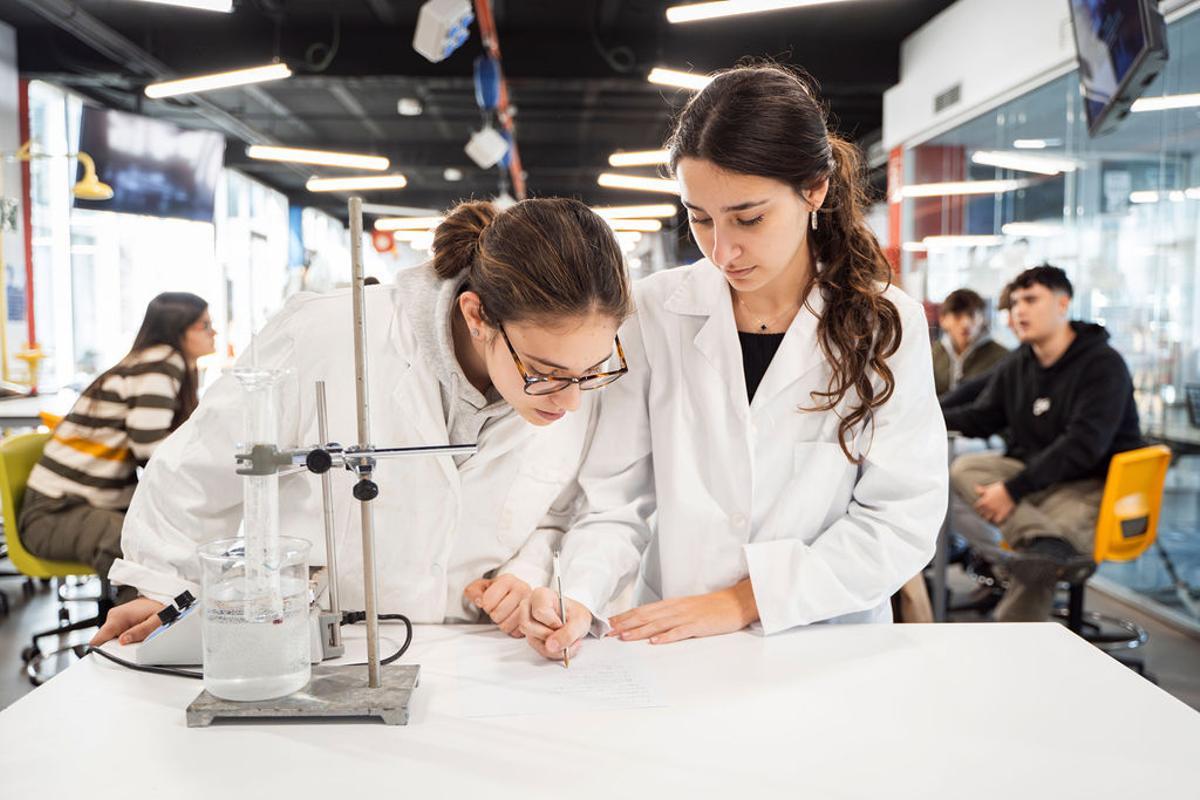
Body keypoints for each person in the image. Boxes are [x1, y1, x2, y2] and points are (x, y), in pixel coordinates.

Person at [522, 64, 947, 661]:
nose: (723, 250)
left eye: (749, 218)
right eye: (699, 218)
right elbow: (616, 499)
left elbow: (900, 521)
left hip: (824, 642)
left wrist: (746, 600)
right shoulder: (653, 313)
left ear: (814, 189)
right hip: (675, 644)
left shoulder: (884, 325)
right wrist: (580, 596)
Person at [91, 198, 632, 646]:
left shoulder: (569, 374)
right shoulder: (329, 336)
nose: (571, 403)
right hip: (327, 651)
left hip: (477, 657)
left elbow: (559, 512)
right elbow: (196, 469)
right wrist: (157, 585)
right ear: (477, 315)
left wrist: (527, 575)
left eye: (590, 373)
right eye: (544, 373)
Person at [942, 265, 1144, 622]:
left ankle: (1017, 628)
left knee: (1039, 566)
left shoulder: (1102, 365)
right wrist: (924, 415)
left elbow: (1083, 446)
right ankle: (1045, 543)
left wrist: (1013, 489)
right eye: (1016, 302)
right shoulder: (1021, 362)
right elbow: (982, 413)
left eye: (1032, 299)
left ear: (1063, 303)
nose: (1019, 310)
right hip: (1037, 479)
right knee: (965, 468)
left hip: (1091, 483)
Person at [20, 292, 216, 581]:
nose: (214, 333)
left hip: (81, 506)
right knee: (143, 556)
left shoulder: (165, 364)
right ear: (177, 329)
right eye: (205, 325)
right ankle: (137, 627)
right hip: (54, 513)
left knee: (171, 543)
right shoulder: (159, 362)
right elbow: (150, 449)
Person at [932, 288, 1009, 398]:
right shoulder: (933, 354)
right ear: (943, 320)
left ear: (982, 318)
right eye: (957, 316)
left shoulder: (1001, 357)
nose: (966, 323)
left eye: (972, 315)